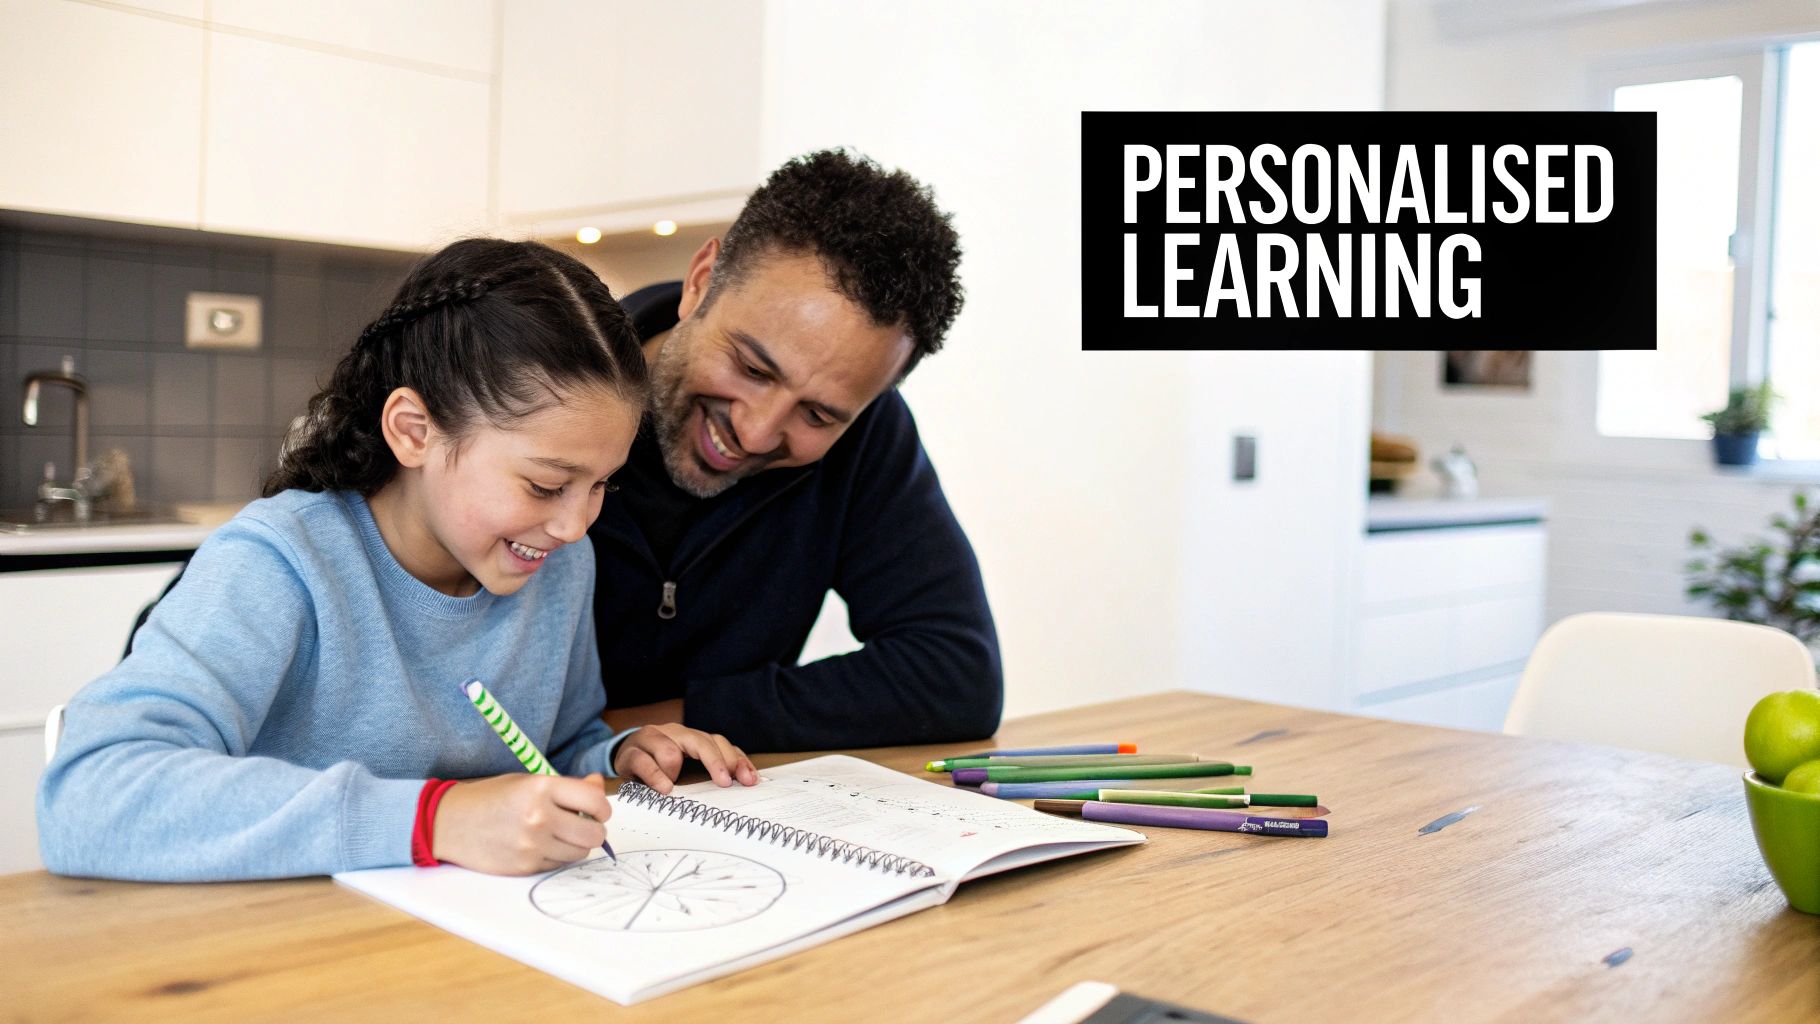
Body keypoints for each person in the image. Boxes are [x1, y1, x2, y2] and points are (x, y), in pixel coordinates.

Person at [37, 238, 757, 883]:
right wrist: (438, 820)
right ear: (414, 431)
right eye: (545, 485)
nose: (575, 525)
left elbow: (553, 747)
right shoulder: (280, 564)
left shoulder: (558, 566)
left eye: (602, 485)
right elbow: (89, 795)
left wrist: (615, 756)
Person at [592, 149, 1002, 751]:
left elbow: (956, 675)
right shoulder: (541, 388)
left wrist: (660, 724)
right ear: (701, 282)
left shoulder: (865, 435)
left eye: (817, 415)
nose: (755, 434)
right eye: (753, 368)